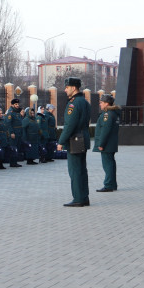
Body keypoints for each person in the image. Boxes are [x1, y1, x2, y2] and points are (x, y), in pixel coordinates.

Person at [57, 77, 91, 207]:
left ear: (73, 88)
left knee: (75, 170)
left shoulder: (74, 103)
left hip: (75, 140)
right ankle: (84, 197)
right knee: (82, 169)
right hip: (83, 138)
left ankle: (78, 198)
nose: (65, 90)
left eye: (67, 87)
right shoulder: (84, 102)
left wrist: (61, 141)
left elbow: (70, 125)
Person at [93, 94, 120, 192]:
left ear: (106, 103)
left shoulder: (107, 114)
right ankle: (112, 184)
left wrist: (101, 144)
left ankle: (108, 185)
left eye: (101, 102)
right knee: (111, 164)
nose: (100, 104)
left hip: (107, 144)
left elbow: (105, 130)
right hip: (111, 143)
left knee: (107, 165)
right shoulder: (114, 113)